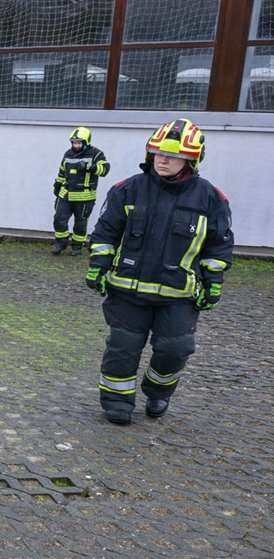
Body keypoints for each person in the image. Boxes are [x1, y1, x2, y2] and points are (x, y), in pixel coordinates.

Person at [86, 118, 232, 425]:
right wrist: (98, 266)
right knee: (123, 348)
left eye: (173, 155)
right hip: (127, 291)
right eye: (157, 153)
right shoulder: (127, 190)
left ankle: (158, 392)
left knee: (175, 349)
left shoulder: (211, 199)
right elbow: (105, 233)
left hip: (178, 295)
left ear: (191, 160)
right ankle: (117, 400)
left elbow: (217, 247)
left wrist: (213, 283)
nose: (162, 160)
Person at [51, 127, 110, 256]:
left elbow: (105, 170)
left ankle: (77, 247)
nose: (76, 145)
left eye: (79, 143)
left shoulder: (96, 154)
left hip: (84, 197)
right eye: (74, 143)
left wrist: (90, 167)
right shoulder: (68, 154)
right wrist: (58, 185)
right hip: (66, 194)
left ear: (86, 142)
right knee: (59, 219)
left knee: (80, 224)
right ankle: (60, 243)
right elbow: (62, 172)